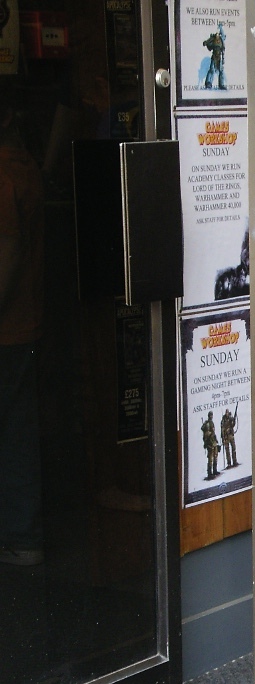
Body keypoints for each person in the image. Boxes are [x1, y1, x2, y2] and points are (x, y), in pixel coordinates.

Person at [0, 81, 44, 566]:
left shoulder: (3, 175)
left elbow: (5, 258)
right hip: (22, 324)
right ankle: (22, 533)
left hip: (6, 327)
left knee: (13, 433)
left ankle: (19, 532)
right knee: (17, 430)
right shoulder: (25, 167)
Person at [203, 24, 226, 91]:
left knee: (221, 70)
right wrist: (206, 43)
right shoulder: (213, 39)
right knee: (212, 70)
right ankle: (208, 83)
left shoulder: (222, 39)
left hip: (220, 57)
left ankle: (221, 84)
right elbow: (208, 42)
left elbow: (223, 34)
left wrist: (221, 27)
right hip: (214, 56)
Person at [201, 411, 220, 480]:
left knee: (215, 456)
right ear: (209, 416)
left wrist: (216, 440)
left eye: (212, 415)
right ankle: (209, 473)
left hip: (214, 442)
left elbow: (213, 433)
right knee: (210, 459)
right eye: (210, 415)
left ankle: (215, 470)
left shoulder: (212, 423)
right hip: (209, 443)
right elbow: (206, 433)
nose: (211, 416)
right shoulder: (207, 423)